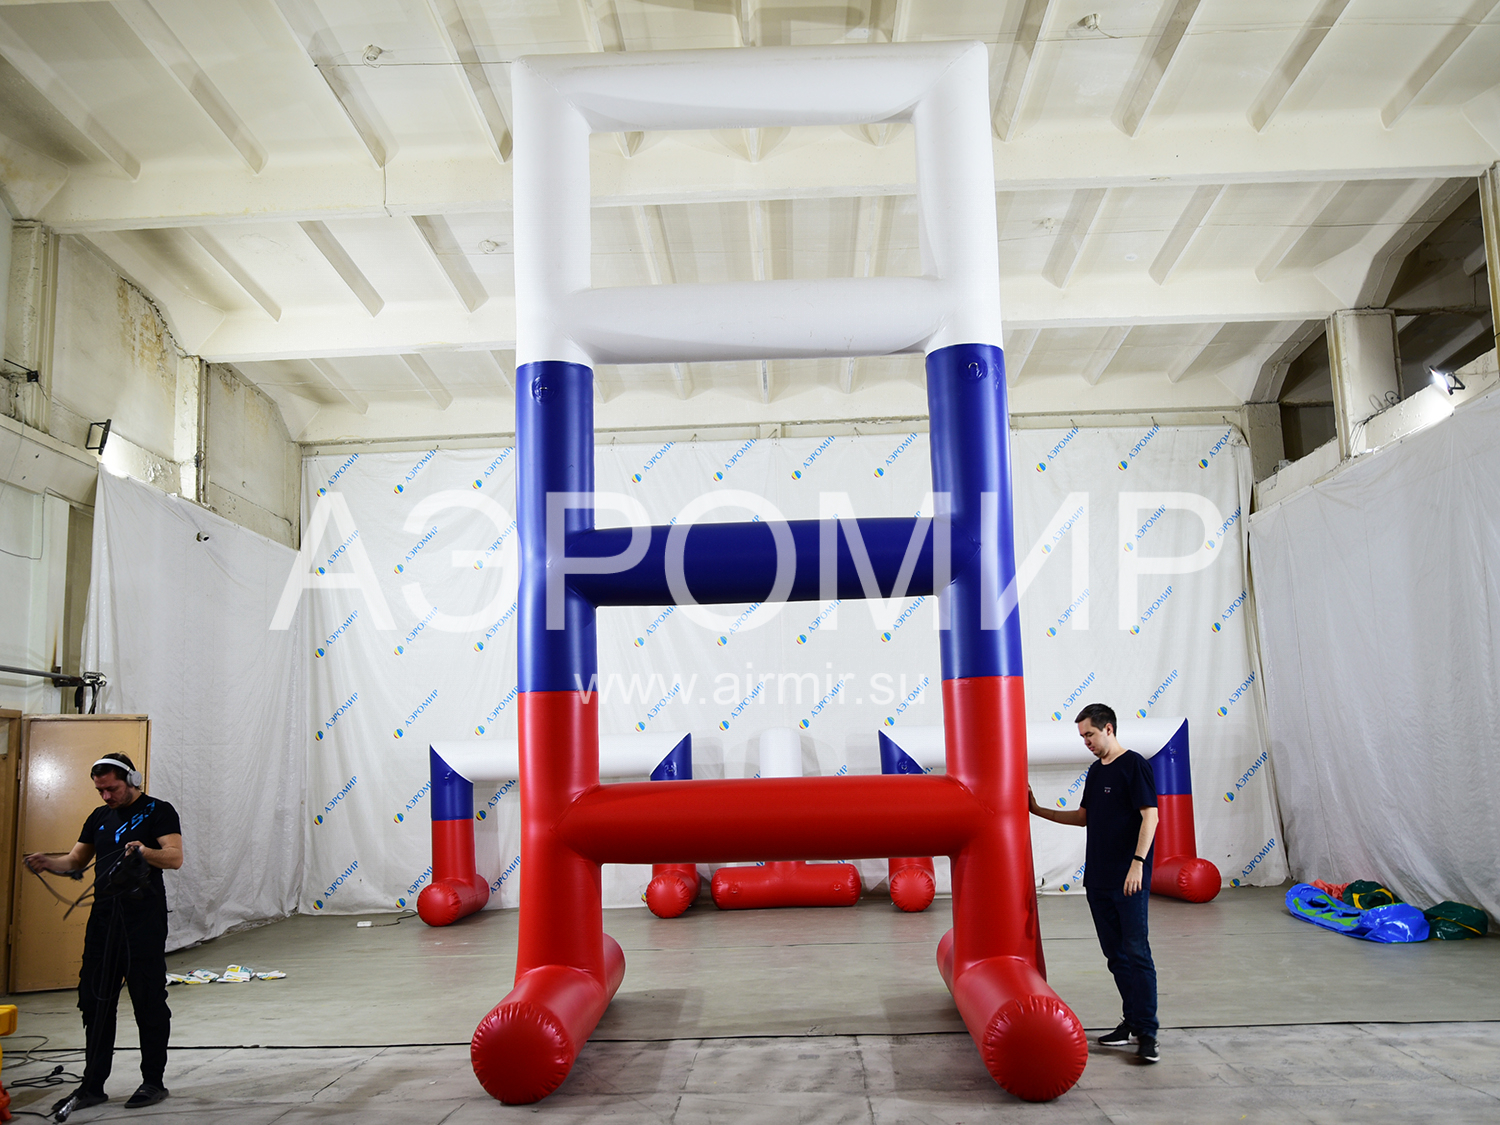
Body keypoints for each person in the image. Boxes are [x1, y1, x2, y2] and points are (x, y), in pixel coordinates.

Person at [24, 754, 183, 1114]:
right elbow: (76, 860)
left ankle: (153, 1081)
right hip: (104, 919)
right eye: (100, 790)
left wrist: (144, 851)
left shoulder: (158, 811)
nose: (106, 796)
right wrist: (49, 863)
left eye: (112, 788)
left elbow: (174, 857)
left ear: (132, 780)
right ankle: (93, 1085)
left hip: (143, 918)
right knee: (95, 1001)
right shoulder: (98, 817)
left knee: (147, 999)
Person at [1027, 703, 1160, 1063]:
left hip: (1129, 879)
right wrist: (1038, 810)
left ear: (1109, 729)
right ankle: (1131, 1021)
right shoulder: (1095, 772)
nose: (1086, 741)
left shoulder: (1135, 765)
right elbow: (1084, 817)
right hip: (1098, 880)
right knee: (1116, 956)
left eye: (1089, 734)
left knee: (1137, 953)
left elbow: (1150, 817)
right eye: (1082, 736)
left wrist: (1138, 864)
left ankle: (1148, 1032)